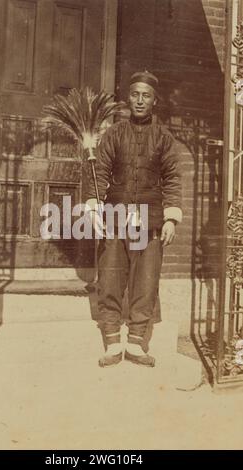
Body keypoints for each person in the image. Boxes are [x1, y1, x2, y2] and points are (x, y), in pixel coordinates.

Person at [86, 71, 182, 367]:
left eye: (146, 96)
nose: (140, 101)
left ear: (155, 101)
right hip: (116, 218)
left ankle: (137, 343)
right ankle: (112, 342)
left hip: (149, 220)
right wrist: (94, 204)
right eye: (135, 95)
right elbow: (100, 171)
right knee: (111, 278)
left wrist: (170, 218)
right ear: (128, 98)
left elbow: (173, 179)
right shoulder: (114, 134)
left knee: (145, 281)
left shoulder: (164, 139)